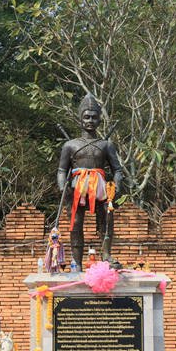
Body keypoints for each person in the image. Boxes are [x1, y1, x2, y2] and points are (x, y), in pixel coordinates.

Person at [57, 93, 123, 271]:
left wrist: (115, 188)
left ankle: (106, 256)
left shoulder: (106, 145)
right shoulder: (70, 145)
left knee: (106, 221)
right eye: (86, 117)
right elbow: (62, 170)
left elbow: (117, 169)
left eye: (94, 117)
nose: (90, 121)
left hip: (100, 187)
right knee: (76, 223)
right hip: (78, 187)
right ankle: (77, 262)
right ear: (80, 119)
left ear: (99, 120)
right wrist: (64, 188)